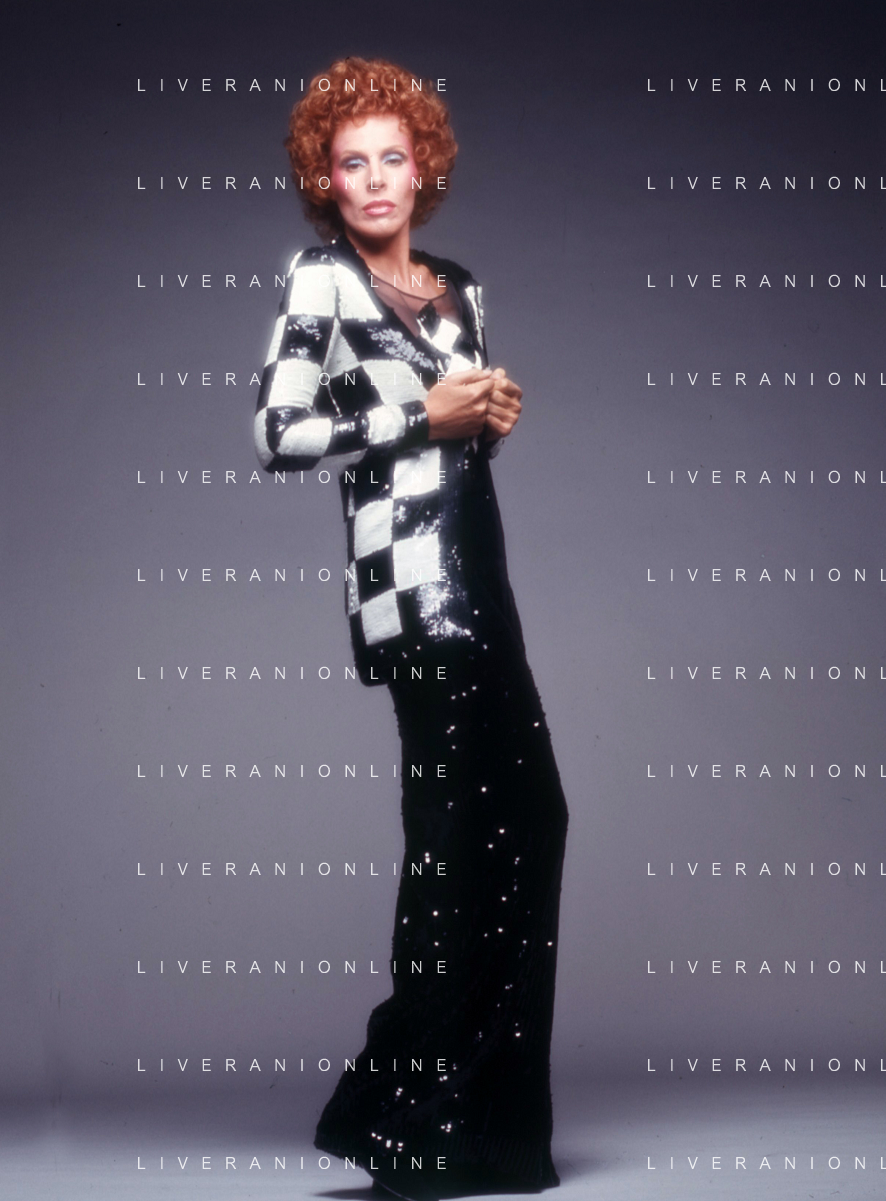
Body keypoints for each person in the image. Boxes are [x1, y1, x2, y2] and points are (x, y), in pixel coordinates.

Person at [254, 56, 569, 1201]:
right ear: (323, 179)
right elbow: (277, 433)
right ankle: (409, 1122)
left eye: (395, 156)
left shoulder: (460, 287)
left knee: (527, 819)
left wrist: (486, 416)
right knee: (449, 838)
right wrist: (418, 413)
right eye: (353, 163)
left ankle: (483, 1125)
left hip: (480, 570)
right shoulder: (319, 283)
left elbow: (452, 439)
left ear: (423, 166)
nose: (377, 179)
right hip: (408, 593)